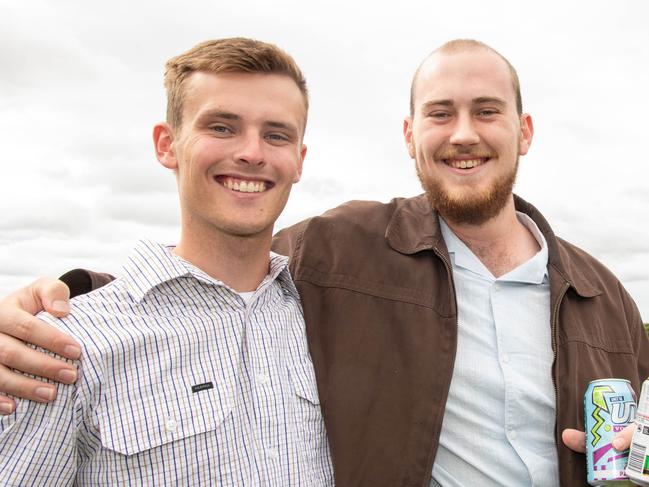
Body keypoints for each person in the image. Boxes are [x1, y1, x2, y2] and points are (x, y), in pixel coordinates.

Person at [0, 39, 645, 486]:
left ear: (523, 131)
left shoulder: (606, 294)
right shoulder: (349, 248)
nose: (464, 134)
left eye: (487, 112)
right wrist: (68, 297)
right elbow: (218, 271)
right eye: (440, 113)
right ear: (409, 134)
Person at [0, 38, 334, 485]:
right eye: (221, 128)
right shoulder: (68, 344)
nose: (252, 152)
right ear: (166, 144)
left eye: (276, 135)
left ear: (299, 160)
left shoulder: (326, 319)